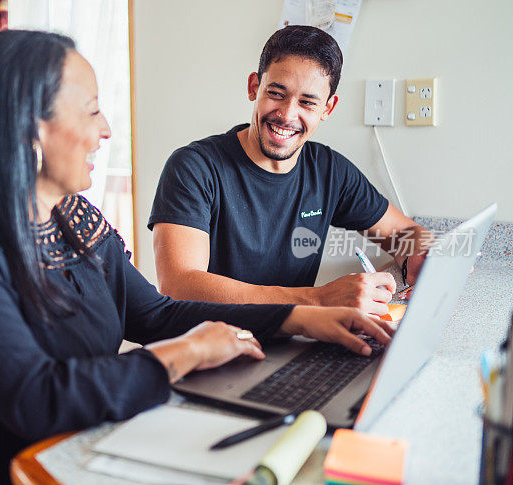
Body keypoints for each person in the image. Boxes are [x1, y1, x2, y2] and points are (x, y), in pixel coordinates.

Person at [0, 30, 393, 484]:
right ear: (29, 128)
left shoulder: (73, 217)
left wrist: (302, 318)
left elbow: (154, 313)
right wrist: (189, 351)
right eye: (90, 110)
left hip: (76, 453)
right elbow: (36, 398)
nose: (106, 128)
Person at [149, 26, 433, 315]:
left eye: (307, 102)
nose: (286, 114)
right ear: (253, 87)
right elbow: (179, 284)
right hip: (208, 347)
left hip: (290, 343)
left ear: (328, 109)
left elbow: (405, 232)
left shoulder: (329, 171)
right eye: (276, 93)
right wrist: (319, 300)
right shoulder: (193, 168)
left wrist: (419, 257)